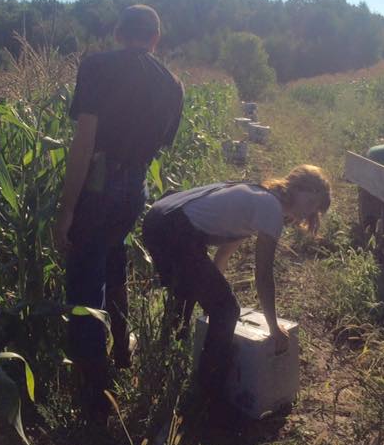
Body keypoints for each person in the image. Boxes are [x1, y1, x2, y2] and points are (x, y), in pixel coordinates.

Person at [54, 4, 184, 414]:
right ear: (155, 39)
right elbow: (160, 144)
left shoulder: (97, 66)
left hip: (98, 184)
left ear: (117, 32)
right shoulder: (172, 85)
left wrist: (66, 209)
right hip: (135, 188)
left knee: (85, 286)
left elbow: (85, 141)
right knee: (114, 262)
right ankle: (123, 353)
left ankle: (95, 398)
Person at [142, 164, 331, 399]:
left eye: (315, 211)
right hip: (173, 228)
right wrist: (273, 328)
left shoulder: (259, 197)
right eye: (311, 203)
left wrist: (211, 293)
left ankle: (162, 368)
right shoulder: (270, 208)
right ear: (298, 187)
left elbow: (222, 255)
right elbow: (263, 275)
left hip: (162, 219)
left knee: (187, 293)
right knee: (227, 310)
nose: (309, 213)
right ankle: (206, 395)